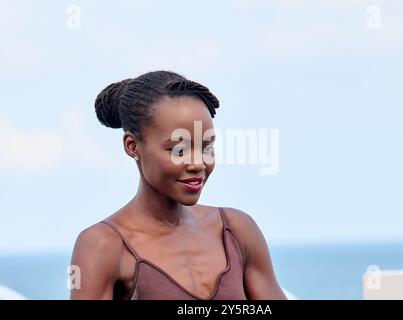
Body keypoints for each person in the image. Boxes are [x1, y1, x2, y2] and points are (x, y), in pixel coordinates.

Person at [70, 71, 287, 300]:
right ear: (132, 146)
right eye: (179, 149)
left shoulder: (237, 231)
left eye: (206, 147)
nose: (198, 164)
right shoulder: (104, 246)